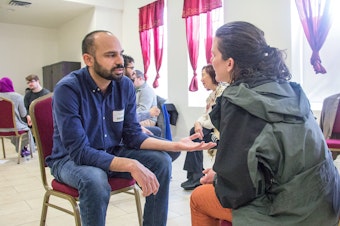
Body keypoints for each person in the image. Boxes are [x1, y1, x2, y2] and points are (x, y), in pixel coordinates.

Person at [46, 30, 216, 226]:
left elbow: (133, 136)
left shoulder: (124, 85)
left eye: (120, 53)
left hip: (111, 149)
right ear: (88, 59)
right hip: (69, 159)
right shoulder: (68, 89)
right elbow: (79, 152)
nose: (120, 61)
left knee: (161, 162)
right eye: (110, 55)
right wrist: (130, 164)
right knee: (95, 179)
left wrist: (176, 145)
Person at [190, 21, 340, 226]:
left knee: (198, 198)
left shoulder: (241, 102)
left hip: (294, 214)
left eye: (214, 54)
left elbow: (235, 193)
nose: (210, 60)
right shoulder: (290, 91)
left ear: (230, 63)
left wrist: (219, 179)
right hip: (327, 201)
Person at [181, 64, 226, 190]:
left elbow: (213, 120)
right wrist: (198, 123)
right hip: (215, 132)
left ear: (213, 75)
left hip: (222, 137)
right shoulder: (212, 95)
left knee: (196, 135)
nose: (201, 79)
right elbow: (205, 115)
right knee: (195, 132)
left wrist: (199, 123)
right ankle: (194, 175)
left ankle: (195, 176)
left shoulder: (222, 93)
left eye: (203, 75)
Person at [0, 77, 34, 155]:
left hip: (1, 129)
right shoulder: (17, 96)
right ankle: (24, 148)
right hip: (15, 128)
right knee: (26, 129)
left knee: (17, 128)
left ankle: (22, 149)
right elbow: (23, 114)